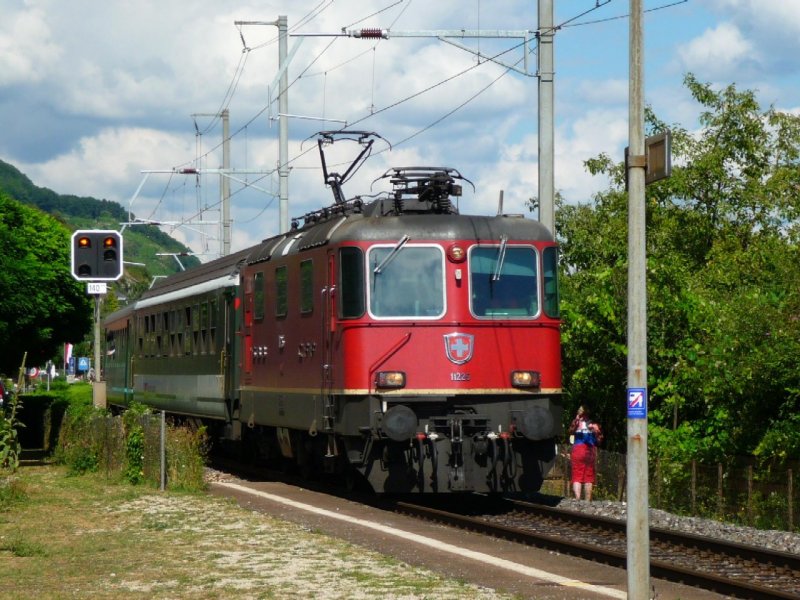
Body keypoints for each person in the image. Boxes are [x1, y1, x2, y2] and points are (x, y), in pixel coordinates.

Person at [569, 405, 603, 501]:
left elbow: (570, 432)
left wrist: (576, 421)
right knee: (589, 477)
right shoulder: (594, 424)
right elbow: (599, 440)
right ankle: (587, 501)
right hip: (590, 450)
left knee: (577, 476)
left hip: (578, 449)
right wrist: (597, 432)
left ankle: (577, 499)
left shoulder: (576, 422)